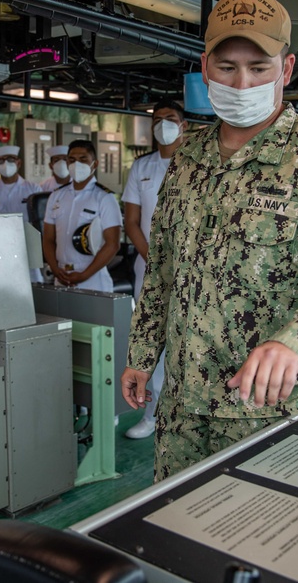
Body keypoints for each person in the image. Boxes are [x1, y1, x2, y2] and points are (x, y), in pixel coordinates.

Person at [121, 0, 298, 481]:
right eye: (228, 67)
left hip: (269, 413)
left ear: (287, 69)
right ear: (206, 67)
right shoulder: (187, 160)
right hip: (184, 408)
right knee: (178, 538)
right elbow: (163, 269)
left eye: (258, 68)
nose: (242, 81)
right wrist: (143, 356)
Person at [119, 98, 188, 440]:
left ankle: (183, 412)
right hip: (148, 269)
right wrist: (155, 259)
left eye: (171, 119)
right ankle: (151, 414)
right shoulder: (141, 168)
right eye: (158, 120)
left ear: (184, 125)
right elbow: (131, 222)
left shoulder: (194, 163)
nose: (164, 125)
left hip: (191, 270)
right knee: (149, 339)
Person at [42, 139, 122, 292]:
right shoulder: (56, 196)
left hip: (93, 278)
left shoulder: (104, 197)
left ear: (95, 164)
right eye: (71, 160)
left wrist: (84, 275)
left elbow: (113, 244)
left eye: (83, 159)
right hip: (62, 276)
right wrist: (55, 269)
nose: (76, 164)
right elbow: (48, 239)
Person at [0, 145, 42, 217]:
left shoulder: (34, 189)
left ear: (18, 163)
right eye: (1, 161)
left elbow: (41, 217)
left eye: (11, 159)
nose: (6, 164)